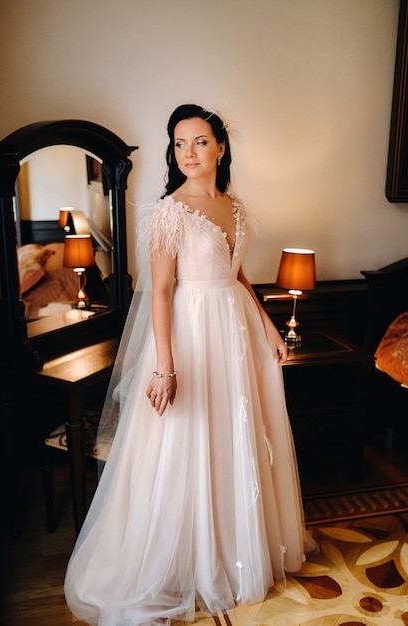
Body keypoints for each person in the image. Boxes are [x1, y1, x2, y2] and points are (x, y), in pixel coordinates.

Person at [64, 104, 317, 626]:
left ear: (221, 148)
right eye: (179, 144)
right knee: (190, 437)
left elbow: (239, 274)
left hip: (238, 329)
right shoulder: (168, 212)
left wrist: (268, 327)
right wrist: (164, 367)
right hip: (193, 332)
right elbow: (159, 293)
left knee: (237, 434)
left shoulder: (236, 206)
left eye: (199, 142)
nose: (188, 154)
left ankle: (235, 548)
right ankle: (186, 561)